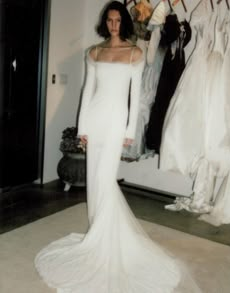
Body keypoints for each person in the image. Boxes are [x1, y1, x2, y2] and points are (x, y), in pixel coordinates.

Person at [35, 2, 201, 292]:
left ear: (123, 22)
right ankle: (97, 230)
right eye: (109, 20)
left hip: (114, 124)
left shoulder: (135, 53)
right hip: (95, 120)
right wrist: (83, 128)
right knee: (94, 182)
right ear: (105, 23)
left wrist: (128, 131)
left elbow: (135, 97)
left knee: (104, 179)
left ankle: (104, 239)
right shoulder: (94, 52)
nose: (113, 25)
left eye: (117, 20)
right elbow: (88, 92)